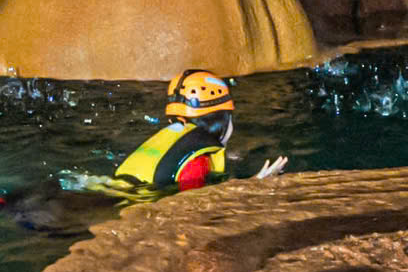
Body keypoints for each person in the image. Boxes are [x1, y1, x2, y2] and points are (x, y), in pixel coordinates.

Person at [105, 70, 287, 194]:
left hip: (112, 188)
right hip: (137, 200)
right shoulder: (198, 162)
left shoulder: (171, 135)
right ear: (221, 118)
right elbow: (193, 204)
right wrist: (254, 185)